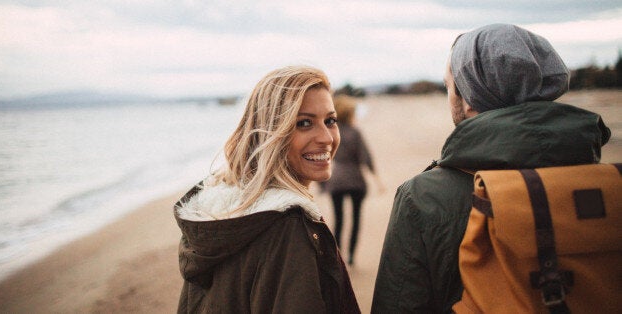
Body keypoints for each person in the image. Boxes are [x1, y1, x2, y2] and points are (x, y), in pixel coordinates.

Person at [371, 23, 611, 313]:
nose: (450, 95)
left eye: (450, 86)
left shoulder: (423, 197)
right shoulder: (602, 182)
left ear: (469, 98)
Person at [174, 65, 361, 313]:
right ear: (271, 132)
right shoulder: (288, 228)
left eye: (330, 121)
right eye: (304, 123)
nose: (326, 137)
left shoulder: (218, 220)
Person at [322, 95, 383, 266]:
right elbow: (366, 157)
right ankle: (350, 256)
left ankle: (337, 256)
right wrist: (377, 179)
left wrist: (321, 183)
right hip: (356, 180)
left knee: (338, 219)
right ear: (349, 113)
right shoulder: (355, 132)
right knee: (356, 219)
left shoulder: (330, 132)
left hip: (337, 180)